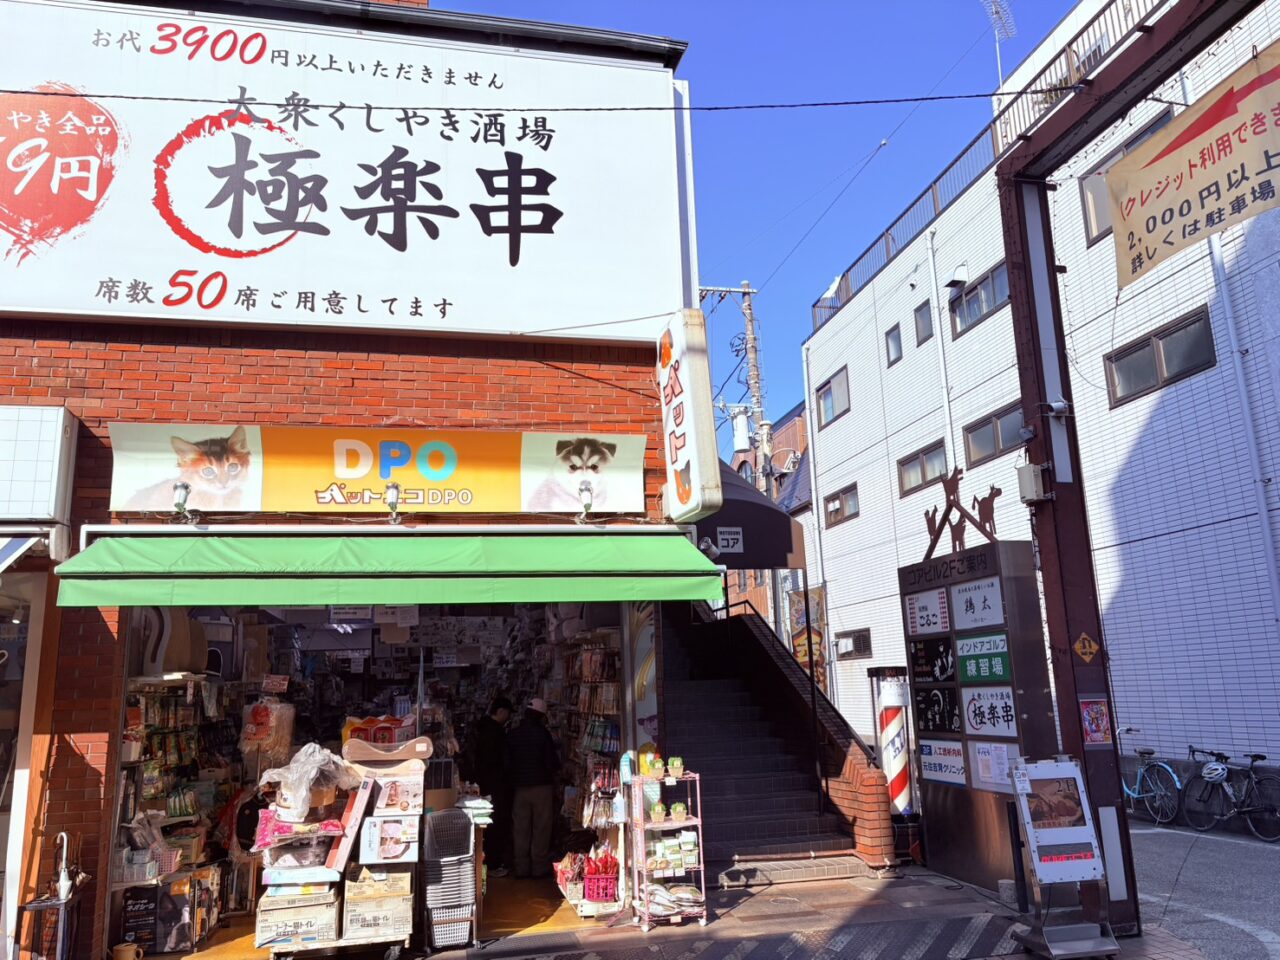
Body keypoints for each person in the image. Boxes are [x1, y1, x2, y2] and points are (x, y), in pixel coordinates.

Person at [504, 698, 559, 879]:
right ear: (541, 716)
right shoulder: (543, 735)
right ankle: (539, 866)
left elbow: (507, 762)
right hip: (542, 787)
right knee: (541, 827)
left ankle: (521, 867)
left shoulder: (513, 734)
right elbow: (552, 762)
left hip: (519, 789)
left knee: (520, 828)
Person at [467, 696, 513, 876]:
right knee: (496, 823)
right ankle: (493, 864)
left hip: (484, 784)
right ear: (500, 711)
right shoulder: (495, 733)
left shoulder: (481, 729)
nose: (508, 717)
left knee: (488, 824)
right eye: (507, 713)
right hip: (496, 785)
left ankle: (488, 862)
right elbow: (500, 761)